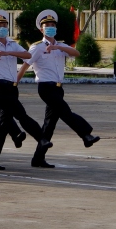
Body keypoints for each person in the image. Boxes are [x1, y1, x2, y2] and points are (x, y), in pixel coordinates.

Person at [18, 10, 100, 168]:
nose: (50, 27)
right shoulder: (37, 47)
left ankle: (38, 158)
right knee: (65, 111)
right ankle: (85, 134)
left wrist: (58, 48)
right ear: (41, 29)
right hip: (45, 87)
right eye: (47, 26)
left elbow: (76, 52)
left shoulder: (61, 45)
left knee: (49, 124)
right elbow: (25, 66)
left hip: (58, 88)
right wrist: (14, 83)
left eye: (53, 25)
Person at [0, 11, 50, 171]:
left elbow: (27, 54)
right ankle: (41, 139)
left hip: (12, 87)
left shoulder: (11, 44)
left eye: (4, 25)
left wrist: (9, 53)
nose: (2, 28)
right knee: (21, 115)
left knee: (3, 124)